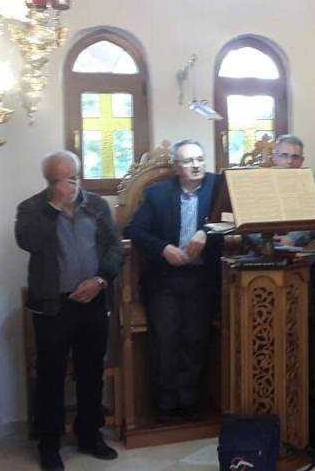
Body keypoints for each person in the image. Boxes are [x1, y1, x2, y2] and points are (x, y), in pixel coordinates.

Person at [16, 151, 121, 470]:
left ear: (80, 175)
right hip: (53, 306)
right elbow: (28, 241)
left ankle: (90, 434)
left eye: (73, 178)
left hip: (93, 300)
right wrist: (55, 207)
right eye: (60, 180)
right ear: (49, 182)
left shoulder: (97, 205)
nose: (69, 186)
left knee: (91, 371)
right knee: (50, 376)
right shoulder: (31, 208)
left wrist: (100, 280)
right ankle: (49, 444)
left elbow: (114, 247)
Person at [123, 139, 223, 424]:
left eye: (200, 159)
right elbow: (134, 230)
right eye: (188, 161)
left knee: (195, 339)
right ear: (177, 167)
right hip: (165, 279)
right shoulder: (158, 194)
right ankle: (165, 402)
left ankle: (188, 399)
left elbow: (233, 219)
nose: (196, 166)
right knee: (166, 340)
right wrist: (164, 249)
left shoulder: (218, 188)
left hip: (202, 278)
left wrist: (206, 231)